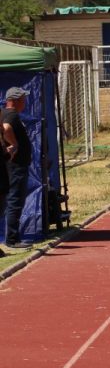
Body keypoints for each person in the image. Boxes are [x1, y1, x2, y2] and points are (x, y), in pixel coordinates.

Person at [1, 87, 31, 250]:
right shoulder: (10, 116)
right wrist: (14, 144)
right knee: (15, 200)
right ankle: (12, 239)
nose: (24, 103)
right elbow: (6, 128)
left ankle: (12, 237)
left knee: (13, 200)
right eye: (23, 99)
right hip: (15, 166)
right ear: (16, 100)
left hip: (15, 166)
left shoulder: (6, 114)